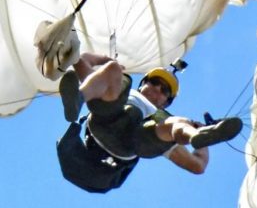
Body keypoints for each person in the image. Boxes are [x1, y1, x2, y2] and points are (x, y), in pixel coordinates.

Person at [54, 52, 242, 193]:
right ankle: (78, 98)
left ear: (167, 102)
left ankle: (197, 135)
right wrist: (108, 61)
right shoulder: (122, 90)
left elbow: (198, 165)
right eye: (154, 82)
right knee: (114, 72)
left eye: (165, 90)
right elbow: (82, 60)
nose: (157, 89)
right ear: (143, 84)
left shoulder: (160, 116)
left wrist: (203, 140)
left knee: (174, 123)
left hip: (130, 144)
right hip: (108, 119)